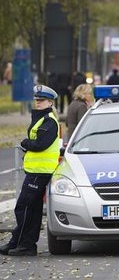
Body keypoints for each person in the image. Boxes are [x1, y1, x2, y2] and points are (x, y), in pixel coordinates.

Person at [0, 85, 60, 256]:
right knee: (32, 210)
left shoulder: (49, 121)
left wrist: (26, 143)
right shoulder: (42, 119)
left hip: (39, 173)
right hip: (35, 171)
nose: (38, 103)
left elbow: (40, 144)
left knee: (23, 208)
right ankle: (25, 244)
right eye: (37, 100)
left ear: (50, 102)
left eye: (41, 100)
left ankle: (21, 243)